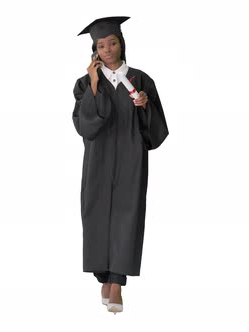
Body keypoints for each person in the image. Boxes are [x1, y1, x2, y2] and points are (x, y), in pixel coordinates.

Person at [72, 16, 169, 314]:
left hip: (130, 157)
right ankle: (103, 274)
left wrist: (145, 106)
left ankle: (117, 282)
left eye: (112, 43)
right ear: (95, 50)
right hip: (98, 159)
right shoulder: (84, 83)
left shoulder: (140, 80)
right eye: (101, 45)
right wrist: (94, 82)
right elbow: (84, 125)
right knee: (96, 213)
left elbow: (157, 130)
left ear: (121, 44)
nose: (108, 49)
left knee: (128, 215)